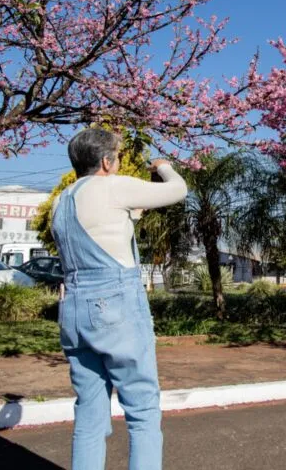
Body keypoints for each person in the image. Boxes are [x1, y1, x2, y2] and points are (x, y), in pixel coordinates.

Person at [51, 128, 187, 470]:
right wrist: (163, 166)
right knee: (141, 411)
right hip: (115, 306)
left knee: (90, 415)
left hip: (74, 308)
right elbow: (178, 190)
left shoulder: (62, 200)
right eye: (119, 156)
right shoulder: (114, 186)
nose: (120, 161)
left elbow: (101, 230)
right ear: (107, 161)